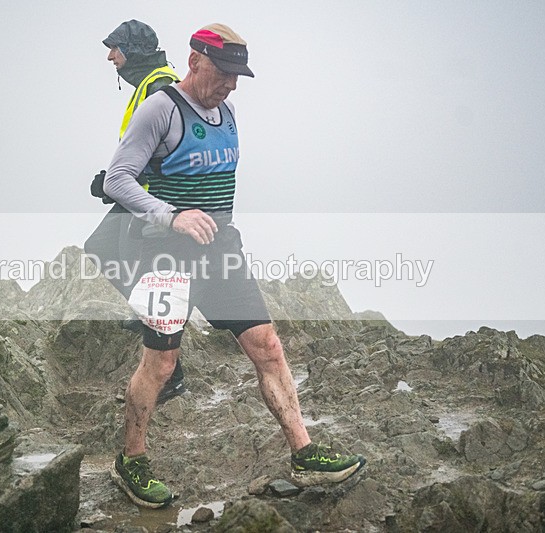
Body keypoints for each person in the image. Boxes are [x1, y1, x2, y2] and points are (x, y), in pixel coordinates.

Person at [103, 23, 367, 508]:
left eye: (237, 75)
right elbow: (117, 180)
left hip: (222, 254)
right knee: (160, 363)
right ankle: (131, 459)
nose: (230, 83)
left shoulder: (226, 111)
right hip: (163, 257)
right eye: (223, 72)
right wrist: (172, 215)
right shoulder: (161, 108)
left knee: (267, 345)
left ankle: (303, 453)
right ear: (195, 61)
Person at [84, 20, 187, 405]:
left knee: (121, 257)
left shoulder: (160, 85)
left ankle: (171, 372)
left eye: (116, 48)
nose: (111, 56)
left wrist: (118, 182)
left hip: (151, 200)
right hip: (139, 194)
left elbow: (167, 147)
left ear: (134, 50)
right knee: (103, 249)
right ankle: (150, 315)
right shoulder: (151, 83)